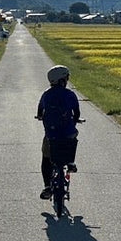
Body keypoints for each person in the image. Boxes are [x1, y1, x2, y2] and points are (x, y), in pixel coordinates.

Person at [36, 64, 82, 200]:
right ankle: (70, 162)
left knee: (46, 158)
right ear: (62, 80)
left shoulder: (46, 95)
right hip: (68, 133)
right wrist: (76, 119)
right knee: (72, 139)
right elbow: (77, 113)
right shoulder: (70, 94)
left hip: (51, 134)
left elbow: (39, 112)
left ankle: (47, 186)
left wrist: (40, 117)